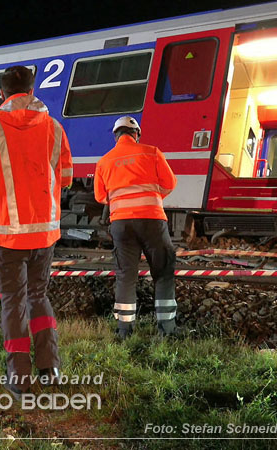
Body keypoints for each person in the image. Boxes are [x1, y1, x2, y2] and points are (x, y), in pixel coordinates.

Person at [0, 66, 73, 399]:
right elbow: (66, 176)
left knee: (13, 302)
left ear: (2, 94)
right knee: (38, 297)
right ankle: (50, 369)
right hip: (44, 235)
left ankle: (19, 377)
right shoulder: (55, 127)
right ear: (31, 91)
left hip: (8, 236)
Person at [94, 116, 178, 340]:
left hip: (121, 224)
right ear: (137, 134)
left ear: (115, 136)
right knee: (163, 273)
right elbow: (170, 183)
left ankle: (124, 331)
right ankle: (166, 331)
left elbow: (101, 196)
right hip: (152, 221)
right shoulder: (152, 152)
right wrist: (151, 196)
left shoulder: (104, 161)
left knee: (126, 276)